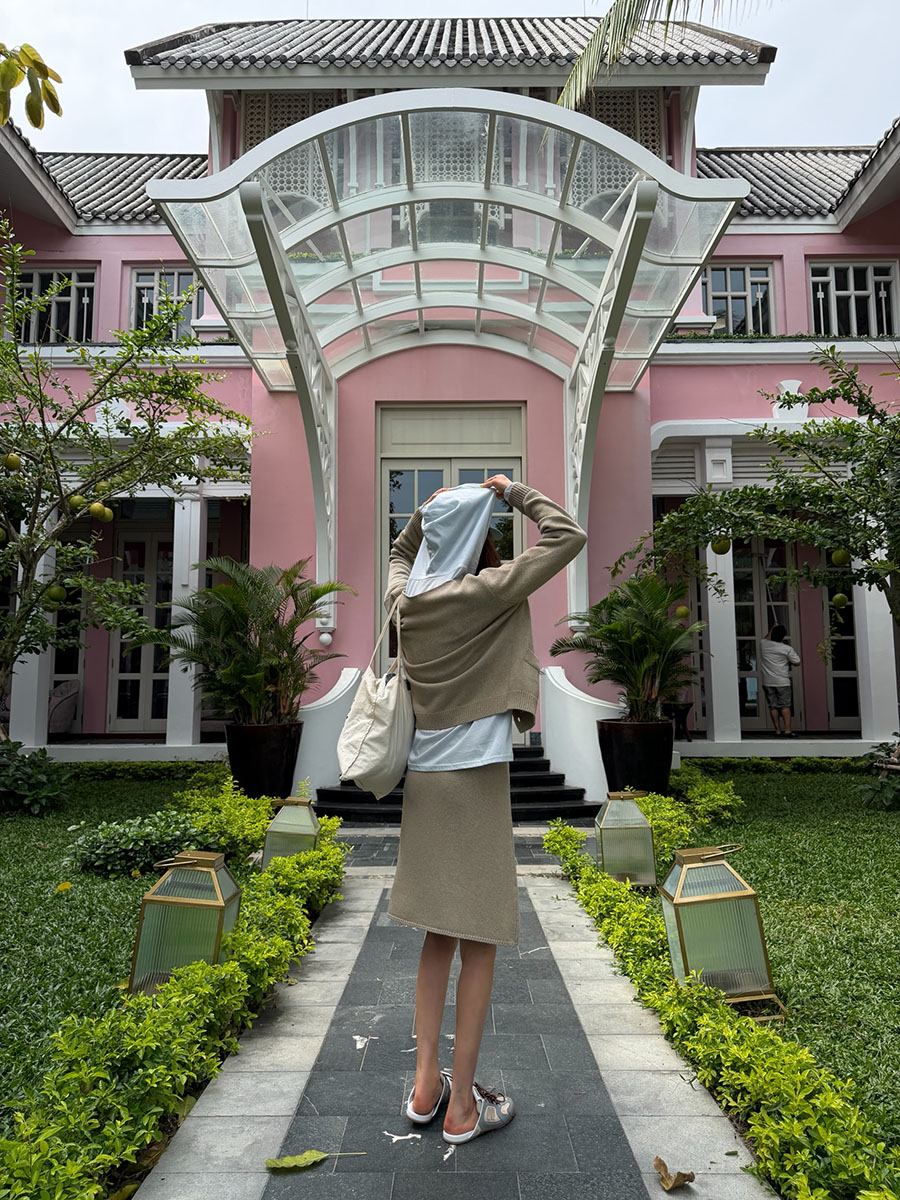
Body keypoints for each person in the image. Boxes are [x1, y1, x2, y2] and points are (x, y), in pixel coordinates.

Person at [384, 474, 586, 1144]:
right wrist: (514, 490)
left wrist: (424, 515)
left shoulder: (404, 602)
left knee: (437, 932)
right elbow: (567, 536)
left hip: (425, 779)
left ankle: (425, 1088)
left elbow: (400, 554)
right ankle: (462, 1109)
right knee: (479, 938)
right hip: (476, 781)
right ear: (476, 539)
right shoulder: (486, 591)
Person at [759, 623, 800, 736]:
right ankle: (787, 730)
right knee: (785, 706)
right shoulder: (786, 648)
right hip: (782, 682)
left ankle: (777, 730)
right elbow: (797, 662)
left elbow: (766, 638)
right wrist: (788, 661)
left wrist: (772, 627)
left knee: (773, 706)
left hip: (768, 681)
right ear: (783, 636)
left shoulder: (763, 644)